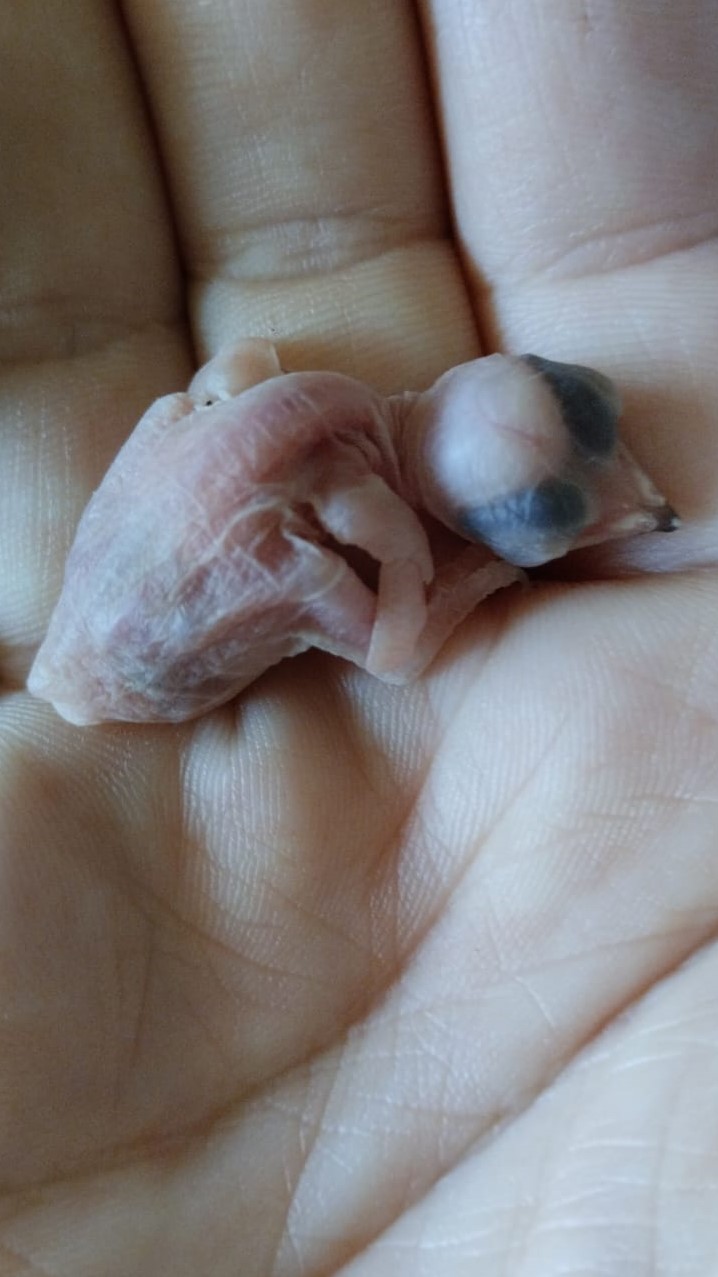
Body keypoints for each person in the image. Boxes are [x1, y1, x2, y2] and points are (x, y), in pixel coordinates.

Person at [1, 2, 716, 1270]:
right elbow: (394, 649)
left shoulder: (341, 405)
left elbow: (230, 370)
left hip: (135, 564)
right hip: (133, 660)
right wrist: (477, 575)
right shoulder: (380, 520)